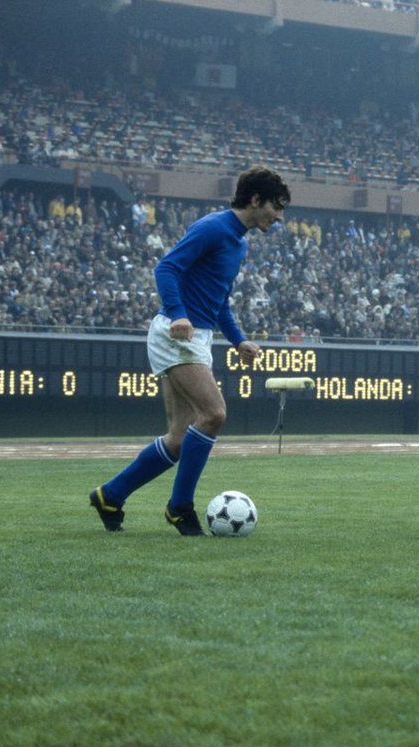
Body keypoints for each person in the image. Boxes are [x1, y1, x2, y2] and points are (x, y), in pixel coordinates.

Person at [90, 165, 290, 535]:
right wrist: (179, 315)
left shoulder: (239, 242)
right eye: (276, 207)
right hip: (176, 334)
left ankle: (110, 494)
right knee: (214, 414)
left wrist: (238, 339)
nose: (279, 217)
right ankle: (179, 508)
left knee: (180, 438)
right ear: (255, 199)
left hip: (198, 336)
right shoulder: (213, 228)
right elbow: (166, 269)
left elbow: (220, 300)